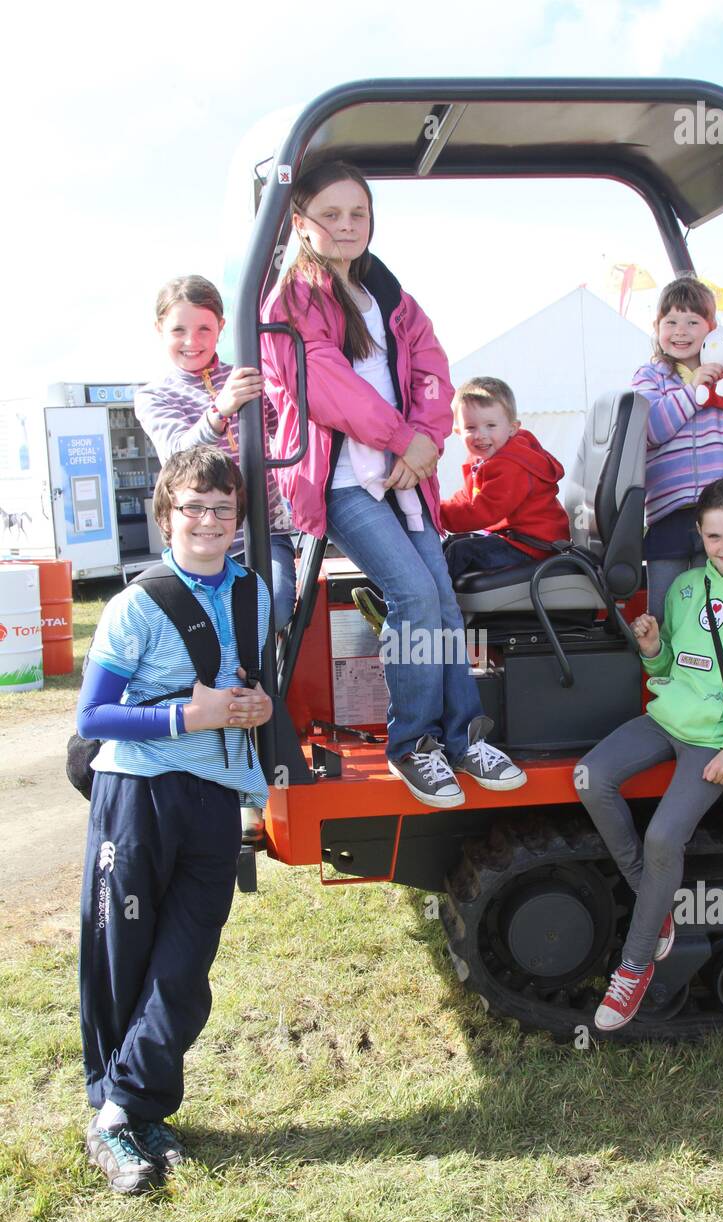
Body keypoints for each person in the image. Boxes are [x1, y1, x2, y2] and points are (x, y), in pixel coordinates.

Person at [260, 160, 526, 807]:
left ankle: (461, 740)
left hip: (406, 478)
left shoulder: (388, 295)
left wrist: (429, 438)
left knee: (440, 604)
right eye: (332, 214)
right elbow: (324, 383)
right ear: (300, 223)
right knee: (410, 596)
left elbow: (432, 365)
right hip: (345, 481)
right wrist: (399, 436)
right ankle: (413, 745)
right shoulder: (291, 301)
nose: (348, 226)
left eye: (359, 214)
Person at [76, 446, 272, 1193]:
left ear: (237, 522)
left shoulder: (254, 591)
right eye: (193, 506)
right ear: (167, 515)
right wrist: (187, 715)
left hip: (215, 798)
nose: (208, 520)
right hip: (138, 796)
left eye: (223, 509)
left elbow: (253, 685)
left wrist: (255, 706)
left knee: (185, 967)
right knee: (121, 959)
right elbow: (93, 714)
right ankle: (117, 1117)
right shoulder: (136, 604)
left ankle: (135, 1107)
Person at [574, 477, 723, 1032]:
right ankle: (654, 902)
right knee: (589, 776)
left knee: (662, 837)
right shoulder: (683, 589)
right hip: (667, 718)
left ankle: (633, 969)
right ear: (698, 534)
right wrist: (653, 650)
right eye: (716, 535)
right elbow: (671, 668)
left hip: (717, 739)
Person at [135, 275, 297, 630]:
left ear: (222, 327)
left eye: (204, 329)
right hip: (200, 533)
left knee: (277, 609)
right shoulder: (155, 396)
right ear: (159, 328)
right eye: (179, 330)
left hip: (264, 528)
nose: (192, 342)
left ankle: (260, 680)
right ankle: (218, 681)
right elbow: (178, 456)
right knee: (207, 624)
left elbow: (285, 428)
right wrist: (219, 411)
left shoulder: (247, 377)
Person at [632, 275, 723, 622]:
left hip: (721, 514)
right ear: (657, 327)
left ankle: (717, 670)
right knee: (665, 611)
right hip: (669, 514)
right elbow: (652, 430)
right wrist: (694, 393)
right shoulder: (651, 376)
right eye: (670, 321)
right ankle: (663, 670)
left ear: (712, 329)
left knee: (718, 610)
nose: (681, 330)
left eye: (692, 322)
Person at [438, 376, 571, 580]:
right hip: (514, 539)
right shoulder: (482, 458)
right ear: (458, 431)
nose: (480, 435)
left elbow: (482, 512)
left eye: (491, 425)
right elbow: (467, 497)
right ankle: (408, 599)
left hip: (534, 547)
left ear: (512, 427)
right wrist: (435, 507)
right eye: (471, 428)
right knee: (451, 544)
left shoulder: (511, 464)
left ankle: (429, 609)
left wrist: (436, 515)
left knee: (460, 553)